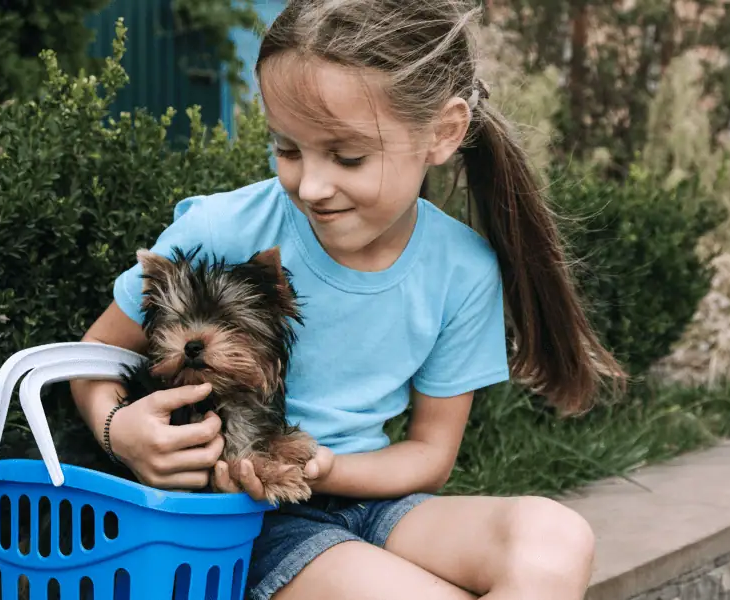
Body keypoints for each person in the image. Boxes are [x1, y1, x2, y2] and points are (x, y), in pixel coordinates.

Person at [70, 0, 623, 598]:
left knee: (557, 536)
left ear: (443, 132)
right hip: (253, 521)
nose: (310, 185)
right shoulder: (224, 229)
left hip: (375, 503)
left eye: (348, 156)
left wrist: (332, 469)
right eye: (286, 149)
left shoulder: (460, 268)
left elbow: (429, 455)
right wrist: (117, 429)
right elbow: (94, 354)